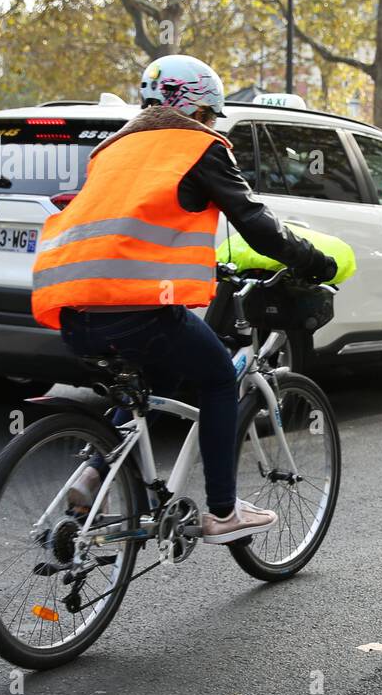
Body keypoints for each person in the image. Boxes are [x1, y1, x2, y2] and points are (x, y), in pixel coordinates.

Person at [30, 55, 336, 544]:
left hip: (69, 307)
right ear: (198, 112)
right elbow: (257, 225)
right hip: (136, 311)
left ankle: (92, 473)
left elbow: (132, 226)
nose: (213, 124)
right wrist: (313, 261)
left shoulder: (112, 150)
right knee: (216, 376)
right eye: (212, 115)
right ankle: (221, 512)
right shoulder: (199, 146)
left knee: (151, 381)